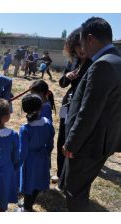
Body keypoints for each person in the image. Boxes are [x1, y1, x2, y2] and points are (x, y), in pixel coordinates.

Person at [59, 17, 121, 212]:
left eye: (83, 41)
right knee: (81, 186)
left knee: (74, 191)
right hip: (104, 139)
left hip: (88, 144)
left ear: (91, 39)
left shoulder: (101, 65)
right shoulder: (116, 60)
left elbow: (88, 112)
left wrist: (71, 144)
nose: (82, 48)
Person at [53, 28, 93, 184]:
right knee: (61, 138)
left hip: (82, 108)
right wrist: (66, 77)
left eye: (83, 45)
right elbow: (62, 84)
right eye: (77, 46)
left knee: (74, 142)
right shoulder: (73, 61)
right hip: (68, 104)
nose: (81, 49)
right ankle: (59, 172)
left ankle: (69, 176)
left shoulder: (95, 63)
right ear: (72, 47)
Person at [16, 94, 55, 212]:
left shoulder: (25, 129)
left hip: (29, 160)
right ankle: (30, 202)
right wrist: (46, 153)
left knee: (29, 184)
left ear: (24, 110)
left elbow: (22, 151)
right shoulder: (48, 123)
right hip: (42, 157)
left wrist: (17, 164)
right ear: (40, 108)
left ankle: (27, 208)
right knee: (38, 181)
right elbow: (50, 143)